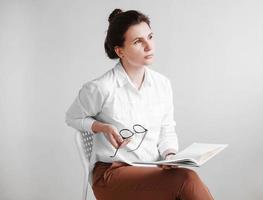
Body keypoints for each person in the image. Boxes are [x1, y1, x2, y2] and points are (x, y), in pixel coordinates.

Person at [65, 8, 214, 200]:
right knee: (186, 180)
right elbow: (72, 117)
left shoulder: (162, 84)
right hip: (112, 174)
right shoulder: (101, 88)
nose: (149, 46)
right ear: (120, 51)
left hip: (150, 169)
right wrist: (101, 126)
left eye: (150, 37)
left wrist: (170, 156)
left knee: (183, 181)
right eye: (138, 42)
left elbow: (167, 130)